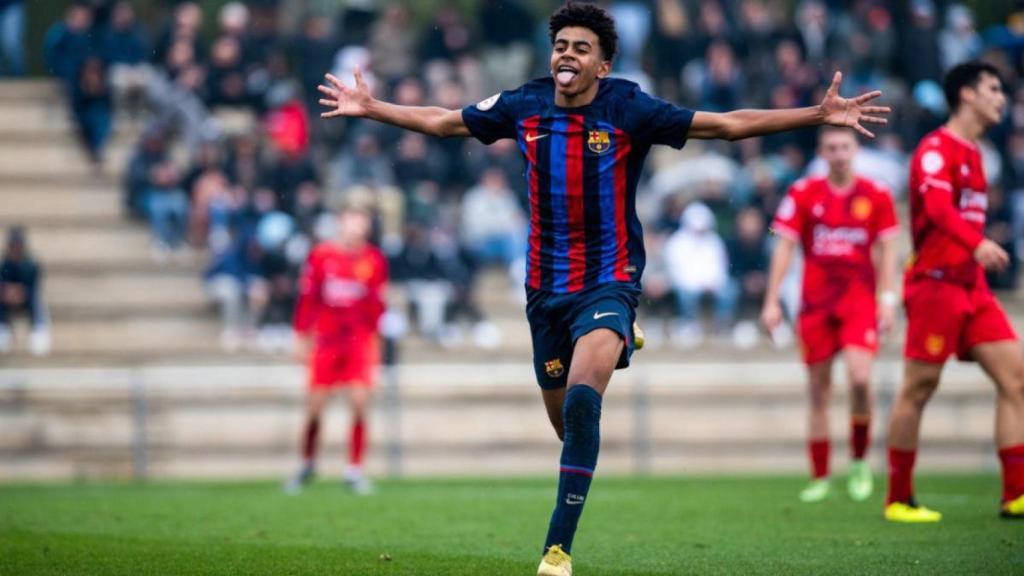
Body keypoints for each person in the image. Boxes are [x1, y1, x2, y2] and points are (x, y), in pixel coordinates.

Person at [317, 4, 888, 573]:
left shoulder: (628, 107)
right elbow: (445, 122)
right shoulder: (524, 103)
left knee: (586, 405)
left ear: (603, 66)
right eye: (561, 44)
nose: (567, 54)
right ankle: (615, 343)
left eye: (581, 48)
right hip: (544, 293)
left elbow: (726, 125)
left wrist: (817, 114)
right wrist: (371, 108)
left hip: (607, 281)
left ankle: (556, 551)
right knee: (569, 427)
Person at [885, 61, 1024, 522]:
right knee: (919, 388)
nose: (1001, 98)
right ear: (966, 94)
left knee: (1016, 378)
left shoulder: (978, 154)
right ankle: (899, 498)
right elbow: (939, 209)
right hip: (935, 286)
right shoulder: (934, 150)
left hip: (973, 288)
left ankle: (1016, 493)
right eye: (993, 89)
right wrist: (978, 242)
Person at [761, 126, 899, 504]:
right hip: (816, 305)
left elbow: (888, 250)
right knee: (818, 392)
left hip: (858, 304)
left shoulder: (877, 194)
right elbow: (783, 245)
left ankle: (858, 462)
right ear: (822, 153)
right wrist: (772, 300)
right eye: (831, 148)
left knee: (859, 379)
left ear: (855, 150)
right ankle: (820, 475)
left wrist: (887, 299)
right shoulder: (803, 193)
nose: (839, 154)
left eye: (845, 147)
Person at [286, 205, 388, 495]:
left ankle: (354, 470)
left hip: (358, 340)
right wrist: (300, 337)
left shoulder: (374, 259)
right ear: (341, 222)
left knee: (358, 403)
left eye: (363, 222)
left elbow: (376, 306)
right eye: (354, 220)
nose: (358, 227)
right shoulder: (321, 255)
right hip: (327, 340)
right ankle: (307, 463)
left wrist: (376, 347)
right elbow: (308, 299)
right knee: (315, 407)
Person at [0, 227, 50, 356]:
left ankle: (39, 328)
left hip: (26, 297)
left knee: (36, 299)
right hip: (7, 298)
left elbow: (33, 285)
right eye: (13, 246)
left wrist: (21, 292)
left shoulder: (31, 264)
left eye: (18, 246)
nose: (15, 249)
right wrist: (8, 291)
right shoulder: (4, 264)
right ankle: (2, 329)